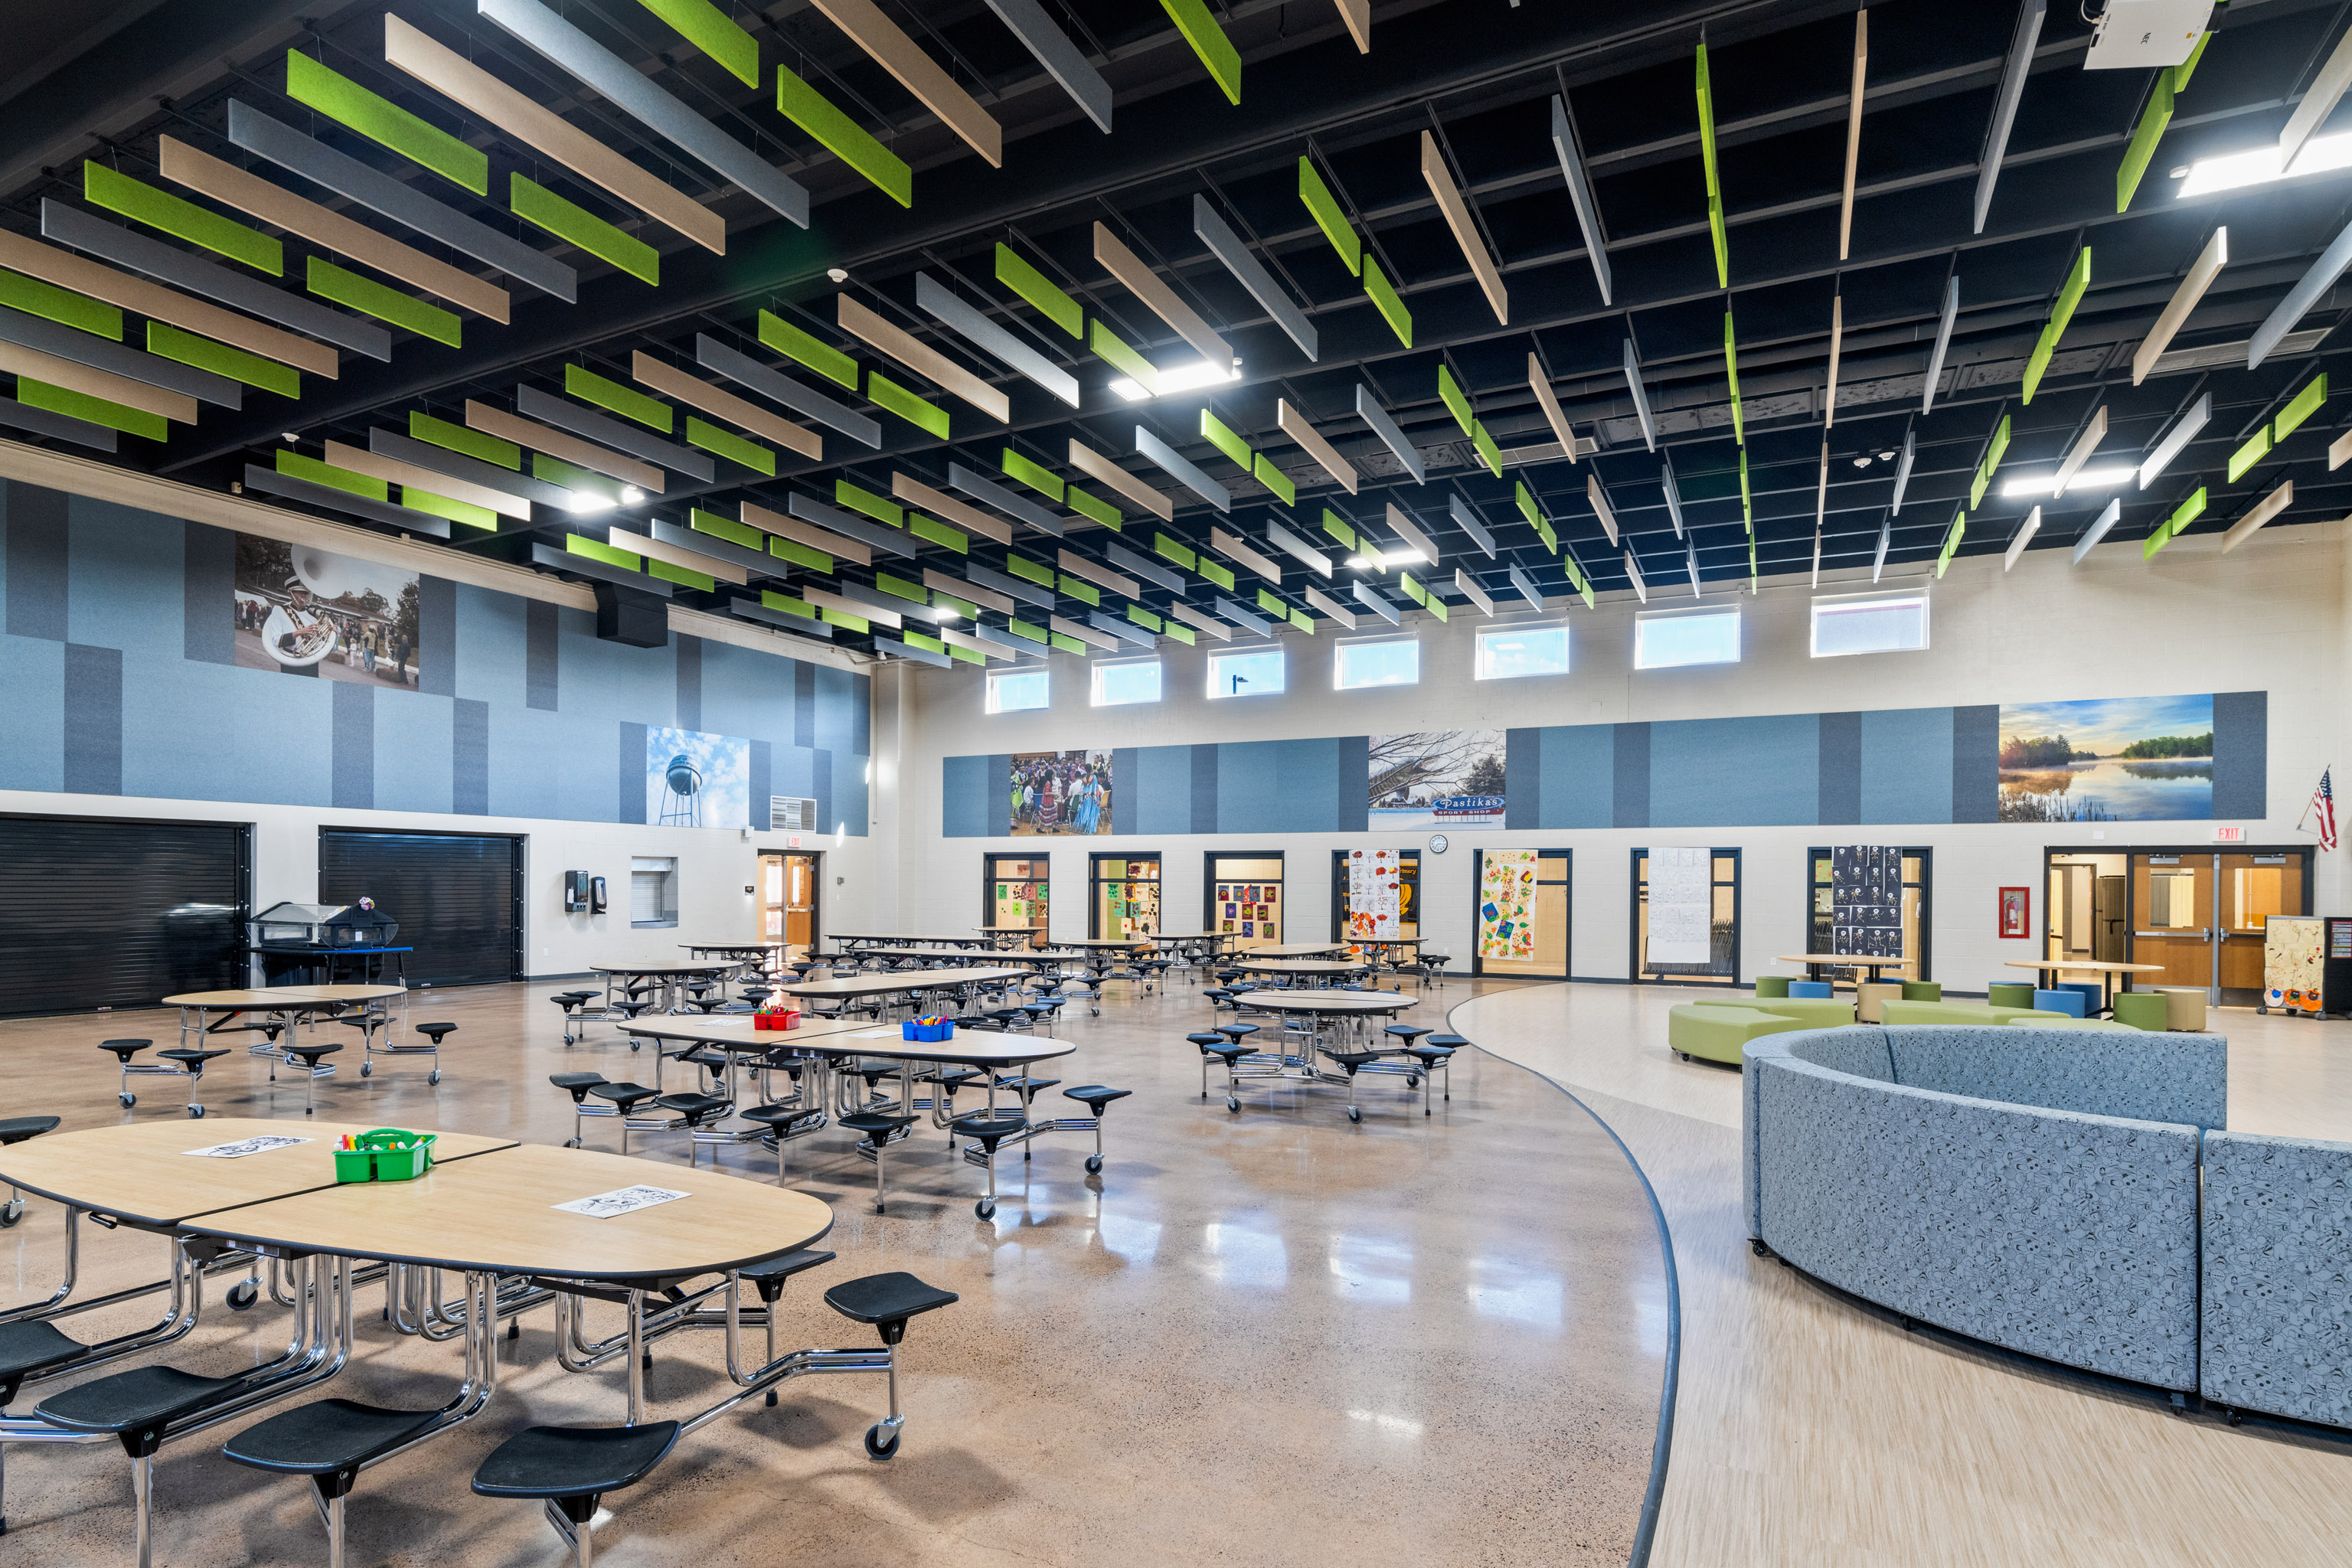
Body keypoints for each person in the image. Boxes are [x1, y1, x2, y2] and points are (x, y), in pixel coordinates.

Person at [261, 580, 328, 676]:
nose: (303, 596)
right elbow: (276, 640)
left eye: (305, 593)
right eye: (299, 593)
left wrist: (329, 634)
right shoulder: (280, 610)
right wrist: (298, 633)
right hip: (291, 661)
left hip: (311, 663)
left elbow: (320, 645)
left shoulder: (313, 618)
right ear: (290, 593)